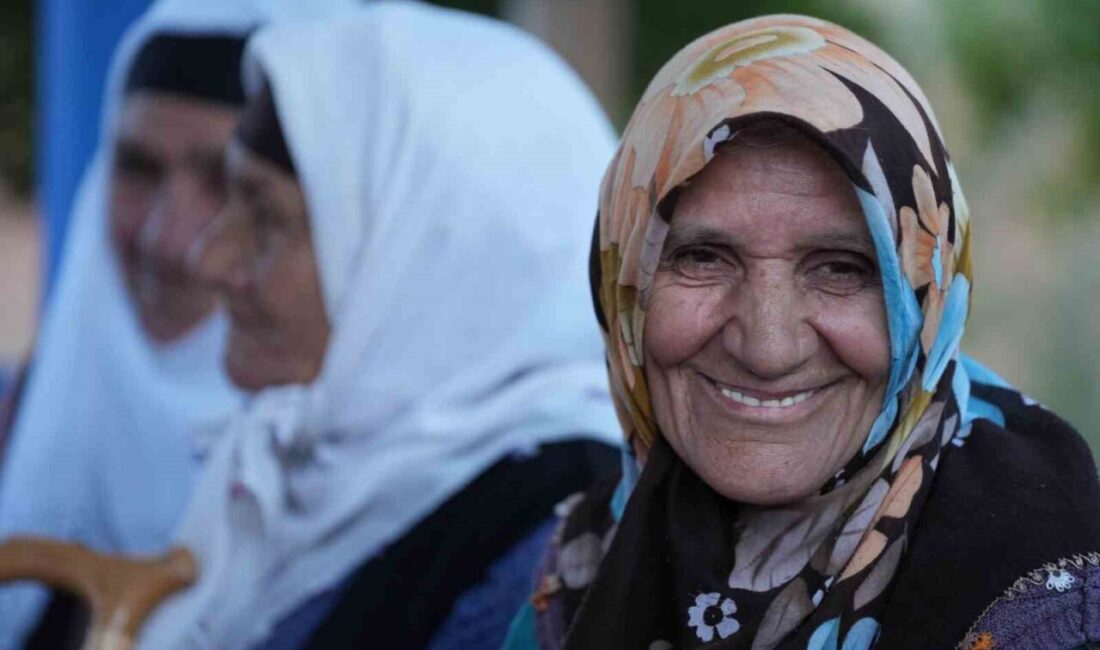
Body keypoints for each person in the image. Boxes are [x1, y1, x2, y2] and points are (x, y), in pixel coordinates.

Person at [504, 14, 1100, 650]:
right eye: (703, 258)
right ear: (623, 289)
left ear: (925, 303)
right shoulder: (586, 562)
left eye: (841, 268)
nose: (767, 347)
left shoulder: (1047, 598)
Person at [135, 3, 621, 649]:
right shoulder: (307, 463)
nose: (210, 258)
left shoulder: (549, 553)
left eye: (265, 217)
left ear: (432, 256)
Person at [0, 1, 345, 647]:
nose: (169, 236)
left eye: (225, 182)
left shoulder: (355, 470)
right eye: (137, 168)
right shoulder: (34, 407)